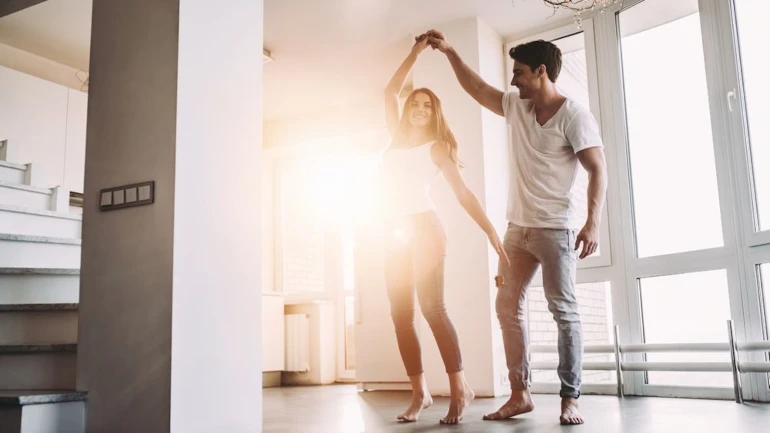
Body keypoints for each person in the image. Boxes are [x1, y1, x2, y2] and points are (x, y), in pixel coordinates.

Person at [423, 30, 608, 425]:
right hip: (516, 232)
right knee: (507, 307)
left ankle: (570, 398)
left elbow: (598, 170)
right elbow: (476, 88)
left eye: (519, 72)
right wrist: (450, 50)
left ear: (541, 71)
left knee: (563, 311)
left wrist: (592, 223)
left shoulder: (574, 116)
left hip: (555, 230)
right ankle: (520, 394)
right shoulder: (516, 106)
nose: (513, 80)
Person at [379, 34, 510, 425]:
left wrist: (490, 231)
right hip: (393, 232)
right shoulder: (395, 139)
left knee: (433, 309)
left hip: (425, 230)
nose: (419, 109)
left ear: (435, 113)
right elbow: (389, 92)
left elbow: (463, 193)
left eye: (427, 105)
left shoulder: (436, 147)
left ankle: (460, 388)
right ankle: (419, 393)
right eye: (415, 103)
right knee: (401, 316)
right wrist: (416, 51)